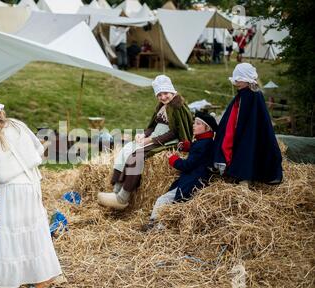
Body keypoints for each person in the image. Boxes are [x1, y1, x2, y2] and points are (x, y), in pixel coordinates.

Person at [0, 97, 62, 288]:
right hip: (31, 182)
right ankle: (42, 275)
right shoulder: (18, 125)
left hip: (11, 189)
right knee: (33, 227)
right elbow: (39, 149)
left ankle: (18, 276)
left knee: (14, 230)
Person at [97, 75, 193, 210]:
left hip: (169, 141)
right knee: (127, 148)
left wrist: (152, 140)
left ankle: (123, 197)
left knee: (136, 156)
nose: (163, 97)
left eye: (165, 93)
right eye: (159, 95)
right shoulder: (162, 106)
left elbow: (175, 132)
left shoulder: (178, 107)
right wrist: (143, 134)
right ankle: (116, 190)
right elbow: (153, 126)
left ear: (171, 91)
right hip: (154, 136)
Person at [144, 112, 218, 231]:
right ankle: (159, 225)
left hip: (193, 180)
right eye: (194, 122)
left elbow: (188, 165)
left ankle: (155, 225)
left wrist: (173, 159)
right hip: (198, 177)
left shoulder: (202, 145)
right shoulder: (206, 142)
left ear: (207, 128)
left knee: (163, 200)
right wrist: (189, 146)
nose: (194, 125)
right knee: (170, 201)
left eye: (198, 124)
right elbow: (199, 152)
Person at [212, 63, 283, 185]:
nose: (236, 82)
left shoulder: (253, 95)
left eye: (239, 79)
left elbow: (255, 119)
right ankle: (239, 171)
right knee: (240, 145)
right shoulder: (243, 94)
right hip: (240, 130)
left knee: (249, 148)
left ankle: (247, 175)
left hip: (250, 131)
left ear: (246, 80)